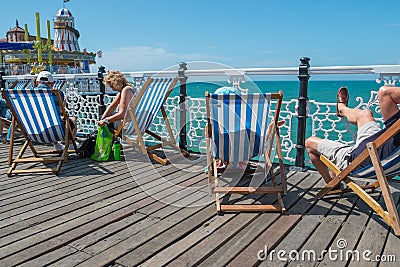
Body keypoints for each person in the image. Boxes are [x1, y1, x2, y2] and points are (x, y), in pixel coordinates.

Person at [305, 86, 400, 184]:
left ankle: (330, 181)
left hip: (359, 160)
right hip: (376, 143)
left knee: (309, 143)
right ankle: (341, 109)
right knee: (365, 114)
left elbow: (385, 93)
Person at [35, 71, 78, 151]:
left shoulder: (26, 94)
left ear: (37, 82)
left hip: (33, 132)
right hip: (55, 133)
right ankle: (71, 144)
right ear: (52, 83)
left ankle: (57, 144)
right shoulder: (57, 94)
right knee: (73, 120)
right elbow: (62, 112)